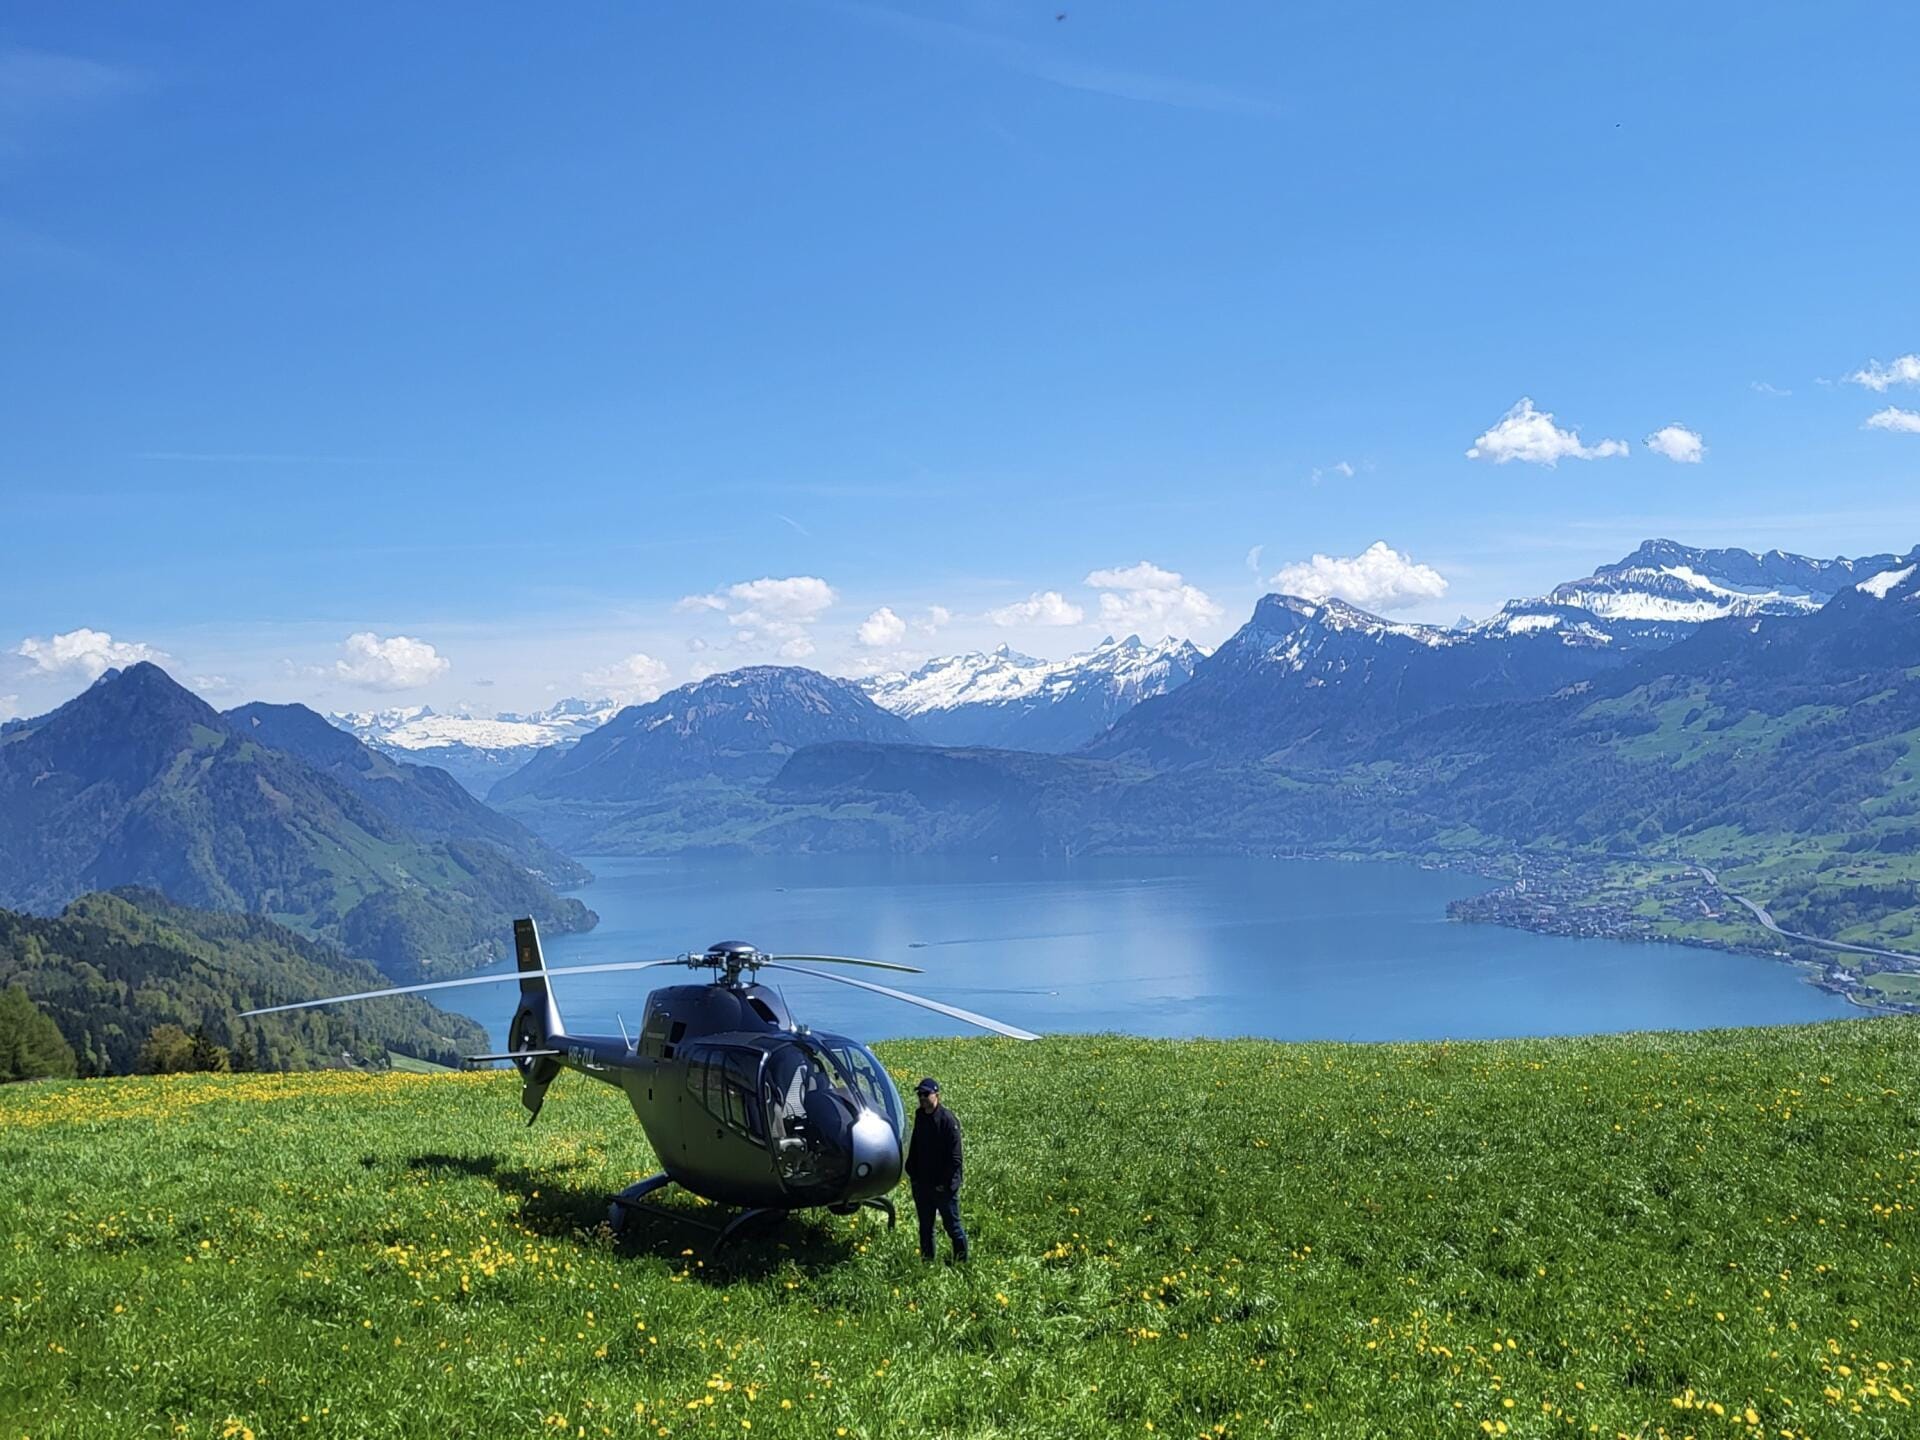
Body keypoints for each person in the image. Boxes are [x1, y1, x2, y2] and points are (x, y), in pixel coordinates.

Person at [905, 1077, 967, 1262]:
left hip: (943, 1186)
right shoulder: (920, 1116)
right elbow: (915, 1146)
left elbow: (955, 1159)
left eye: (926, 1094)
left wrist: (943, 1184)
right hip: (922, 1183)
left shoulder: (948, 1121)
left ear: (936, 1095)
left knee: (952, 1227)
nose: (922, 1098)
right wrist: (913, 1175)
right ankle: (927, 1263)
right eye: (919, 1094)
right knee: (925, 1227)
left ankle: (962, 1262)